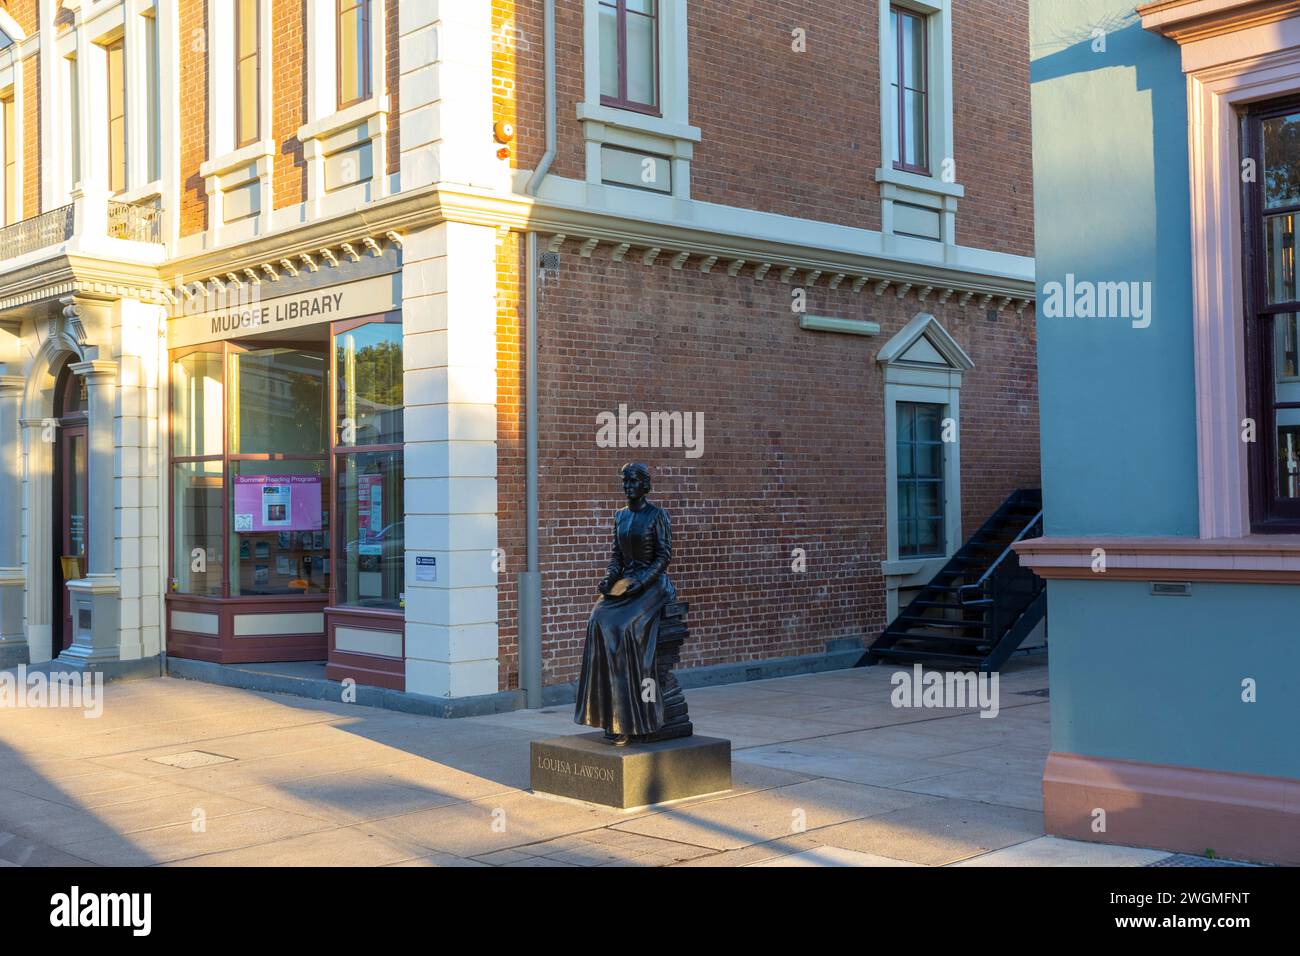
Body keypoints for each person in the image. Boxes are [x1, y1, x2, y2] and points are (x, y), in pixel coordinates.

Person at [574, 462, 677, 745]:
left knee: (622, 628)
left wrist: (641, 583)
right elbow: (616, 557)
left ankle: (632, 717)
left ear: (645, 485)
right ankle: (610, 714)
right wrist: (610, 579)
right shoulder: (620, 516)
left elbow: (663, 557)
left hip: (651, 586)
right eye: (625, 481)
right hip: (624, 585)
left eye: (633, 481)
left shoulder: (657, 516)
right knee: (597, 620)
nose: (628, 486)